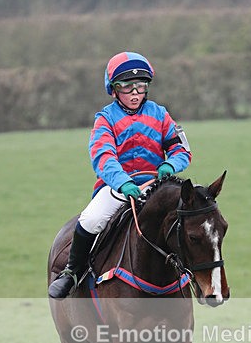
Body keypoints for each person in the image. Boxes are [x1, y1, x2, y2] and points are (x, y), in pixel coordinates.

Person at [48, 51, 193, 298]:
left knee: (193, 220)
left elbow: (181, 149)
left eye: (140, 86)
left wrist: (170, 166)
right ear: (114, 90)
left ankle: (196, 275)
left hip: (157, 186)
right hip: (116, 188)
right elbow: (103, 157)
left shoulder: (160, 114)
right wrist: (123, 182)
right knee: (91, 220)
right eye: (127, 87)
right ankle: (72, 273)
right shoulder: (105, 119)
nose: (135, 93)